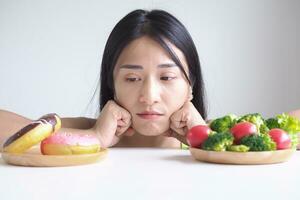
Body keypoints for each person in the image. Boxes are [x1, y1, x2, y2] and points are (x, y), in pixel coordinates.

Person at [0, 9, 207, 149]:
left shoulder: (221, 136)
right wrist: (95, 138)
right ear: (112, 84)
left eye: (167, 77)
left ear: (191, 84)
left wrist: (205, 139)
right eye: (133, 78)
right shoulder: (90, 131)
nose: (149, 96)